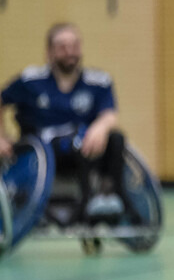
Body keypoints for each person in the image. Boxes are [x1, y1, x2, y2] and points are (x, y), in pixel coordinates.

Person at [0, 22, 133, 222]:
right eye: (62, 47)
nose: (70, 52)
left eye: (75, 46)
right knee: (76, 142)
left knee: (116, 138)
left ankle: (113, 198)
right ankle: (86, 204)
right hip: (45, 152)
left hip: (87, 146)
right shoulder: (30, 81)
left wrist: (100, 127)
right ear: (49, 52)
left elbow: (109, 114)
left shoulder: (99, 82)